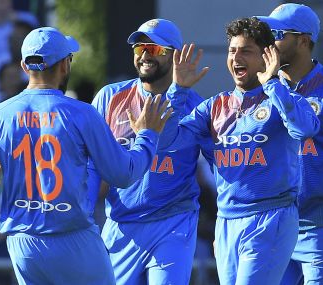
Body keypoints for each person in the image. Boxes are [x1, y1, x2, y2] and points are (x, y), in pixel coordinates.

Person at [0, 26, 171, 285]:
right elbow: (124, 174)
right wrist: (148, 135)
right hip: (72, 238)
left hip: (23, 244)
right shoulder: (81, 113)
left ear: (23, 65)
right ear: (65, 65)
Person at [135, 17, 320, 285]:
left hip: (270, 217)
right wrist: (179, 90)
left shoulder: (282, 97)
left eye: (246, 51)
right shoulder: (215, 106)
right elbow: (167, 143)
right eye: (232, 50)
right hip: (227, 222)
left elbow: (304, 129)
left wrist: (272, 84)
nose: (236, 57)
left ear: (267, 57)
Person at [89, 18, 211, 285]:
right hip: (121, 224)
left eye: (154, 49)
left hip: (174, 220)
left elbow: (219, 164)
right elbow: (90, 164)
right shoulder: (109, 97)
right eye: (139, 48)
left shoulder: (196, 104)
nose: (144, 55)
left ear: (175, 56)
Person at [257, 3, 323, 284]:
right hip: (276, 226)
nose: (269, 42)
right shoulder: (262, 86)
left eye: (278, 33)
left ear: (304, 41)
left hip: (318, 226)